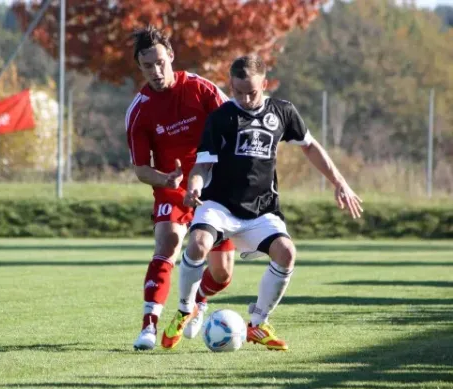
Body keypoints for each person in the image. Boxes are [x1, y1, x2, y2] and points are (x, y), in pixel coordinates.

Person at [164, 53, 363, 351]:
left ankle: (258, 323)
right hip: (219, 204)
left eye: (252, 92)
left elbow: (310, 146)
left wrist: (340, 183)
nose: (244, 99)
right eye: (238, 92)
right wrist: (193, 187)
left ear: (265, 84)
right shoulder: (221, 118)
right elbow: (202, 165)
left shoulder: (282, 112)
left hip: (262, 209)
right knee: (198, 244)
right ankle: (184, 310)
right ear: (230, 86)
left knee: (286, 253)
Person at [126, 26, 238, 350]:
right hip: (171, 186)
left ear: (171, 56)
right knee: (167, 242)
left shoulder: (202, 90)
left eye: (160, 62)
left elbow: (234, 127)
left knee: (222, 274)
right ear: (140, 67)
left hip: (213, 187)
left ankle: (199, 301)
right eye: (148, 66)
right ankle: (149, 327)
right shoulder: (139, 110)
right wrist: (166, 180)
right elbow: (140, 169)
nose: (156, 71)